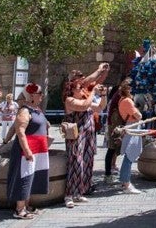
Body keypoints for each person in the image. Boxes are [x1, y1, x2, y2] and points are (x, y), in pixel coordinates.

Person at [63, 63, 109, 208]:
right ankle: (69, 195)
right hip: (76, 136)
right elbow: (83, 106)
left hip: (89, 134)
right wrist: (93, 92)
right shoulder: (70, 100)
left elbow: (101, 107)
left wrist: (103, 95)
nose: (82, 88)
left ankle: (80, 191)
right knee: (75, 162)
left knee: (87, 162)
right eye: (79, 87)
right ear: (72, 89)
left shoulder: (85, 98)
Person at [6, 83, 49, 220]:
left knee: (32, 177)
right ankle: (20, 209)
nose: (42, 96)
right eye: (39, 93)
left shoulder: (37, 110)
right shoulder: (25, 111)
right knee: (24, 176)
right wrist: (27, 150)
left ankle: (27, 205)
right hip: (27, 149)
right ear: (31, 96)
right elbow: (20, 131)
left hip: (39, 150)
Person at [117, 79, 144, 194]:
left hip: (131, 126)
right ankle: (126, 183)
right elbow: (138, 115)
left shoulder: (122, 100)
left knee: (129, 156)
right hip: (132, 127)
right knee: (129, 155)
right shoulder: (127, 101)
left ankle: (125, 181)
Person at [104, 84, 122, 184]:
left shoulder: (117, 96)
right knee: (111, 149)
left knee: (112, 150)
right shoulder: (119, 95)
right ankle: (108, 174)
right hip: (114, 125)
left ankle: (109, 172)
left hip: (114, 125)